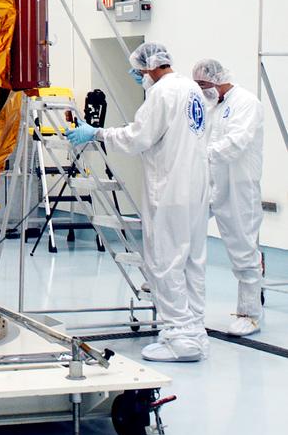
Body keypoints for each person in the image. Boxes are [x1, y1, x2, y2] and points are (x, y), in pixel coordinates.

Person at [66, 42, 209, 363]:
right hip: (196, 188)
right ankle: (195, 331)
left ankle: (180, 338)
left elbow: (137, 138)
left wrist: (97, 133)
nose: (137, 76)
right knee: (192, 262)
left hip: (170, 188)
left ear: (152, 66)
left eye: (139, 71)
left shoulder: (161, 93)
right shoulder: (191, 89)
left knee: (165, 262)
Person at [192, 58, 265, 335]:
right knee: (185, 230)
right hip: (210, 182)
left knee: (243, 249)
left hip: (238, 187)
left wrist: (199, 156)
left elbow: (236, 142)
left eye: (204, 84)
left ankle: (249, 314)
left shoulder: (246, 102)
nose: (202, 90)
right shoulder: (212, 106)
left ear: (218, 79)